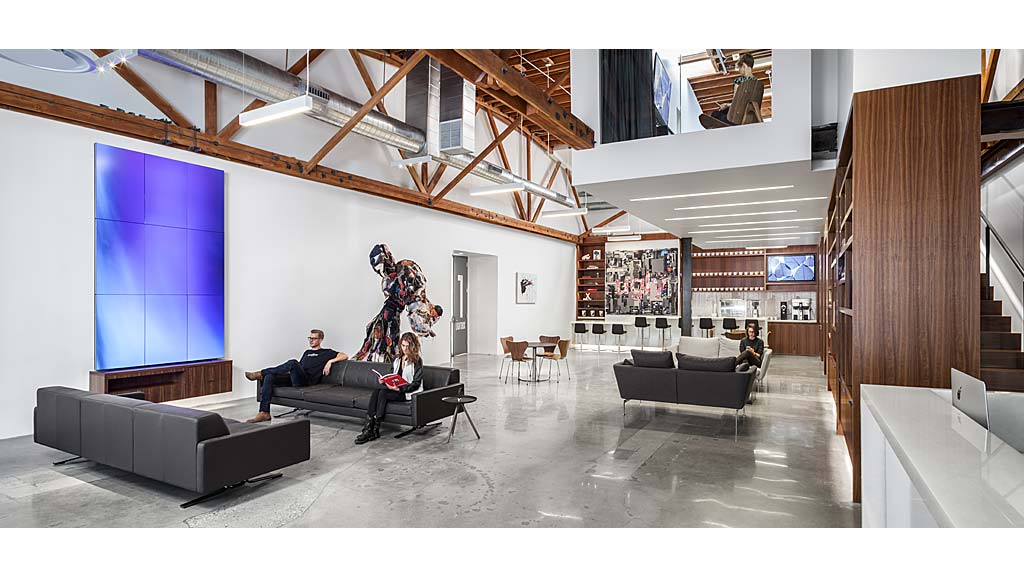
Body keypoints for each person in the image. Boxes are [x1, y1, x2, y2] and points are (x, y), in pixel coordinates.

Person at [244, 329, 348, 423]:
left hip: (307, 381)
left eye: (314, 338)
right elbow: (300, 368)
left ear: (321, 340)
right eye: (310, 338)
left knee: (293, 362)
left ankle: (261, 373)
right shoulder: (307, 352)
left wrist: (330, 361)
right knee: (269, 376)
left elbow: (344, 355)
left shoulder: (326, 352)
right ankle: (264, 412)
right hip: (296, 378)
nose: (311, 340)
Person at [355, 332, 424, 444]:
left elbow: (416, 383)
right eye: (403, 345)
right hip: (395, 389)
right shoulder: (397, 359)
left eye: (407, 346)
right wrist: (385, 381)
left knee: (383, 394)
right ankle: (369, 427)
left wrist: (400, 389)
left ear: (413, 346)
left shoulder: (417, 361)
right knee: (377, 391)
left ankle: (374, 429)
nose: (405, 349)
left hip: (407, 392)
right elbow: (393, 375)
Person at [710, 53, 759, 124]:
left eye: (739, 68)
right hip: (750, 115)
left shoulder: (739, 81)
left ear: (744, 66)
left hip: (738, 116)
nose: (739, 71)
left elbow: (736, 103)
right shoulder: (757, 83)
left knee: (715, 114)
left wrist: (726, 105)